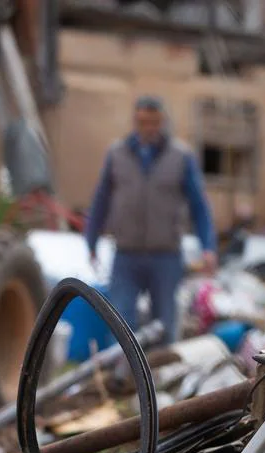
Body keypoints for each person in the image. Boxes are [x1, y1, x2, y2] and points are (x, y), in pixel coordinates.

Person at [85, 95, 217, 344]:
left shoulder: (180, 157)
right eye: (143, 122)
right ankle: (122, 379)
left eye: (154, 122)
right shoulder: (117, 154)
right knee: (120, 323)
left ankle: (161, 379)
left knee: (164, 325)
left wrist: (208, 247)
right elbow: (101, 200)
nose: (149, 128)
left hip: (165, 256)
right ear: (135, 122)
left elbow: (199, 205)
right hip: (126, 254)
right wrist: (91, 241)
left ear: (162, 122)